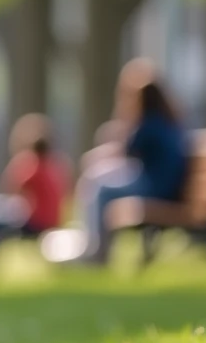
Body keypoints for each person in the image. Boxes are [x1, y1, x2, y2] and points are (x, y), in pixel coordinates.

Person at [78, 59, 188, 264]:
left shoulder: (149, 125)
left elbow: (124, 148)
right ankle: (96, 249)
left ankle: (97, 252)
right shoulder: (166, 122)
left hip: (157, 190)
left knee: (102, 188)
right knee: (103, 181)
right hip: (165, 186)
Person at [0, 113, 70, 277]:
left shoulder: (31, 165)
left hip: (37, 225)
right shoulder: (57, 164)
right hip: (55, 222)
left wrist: (18, 160)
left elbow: (10, 189)